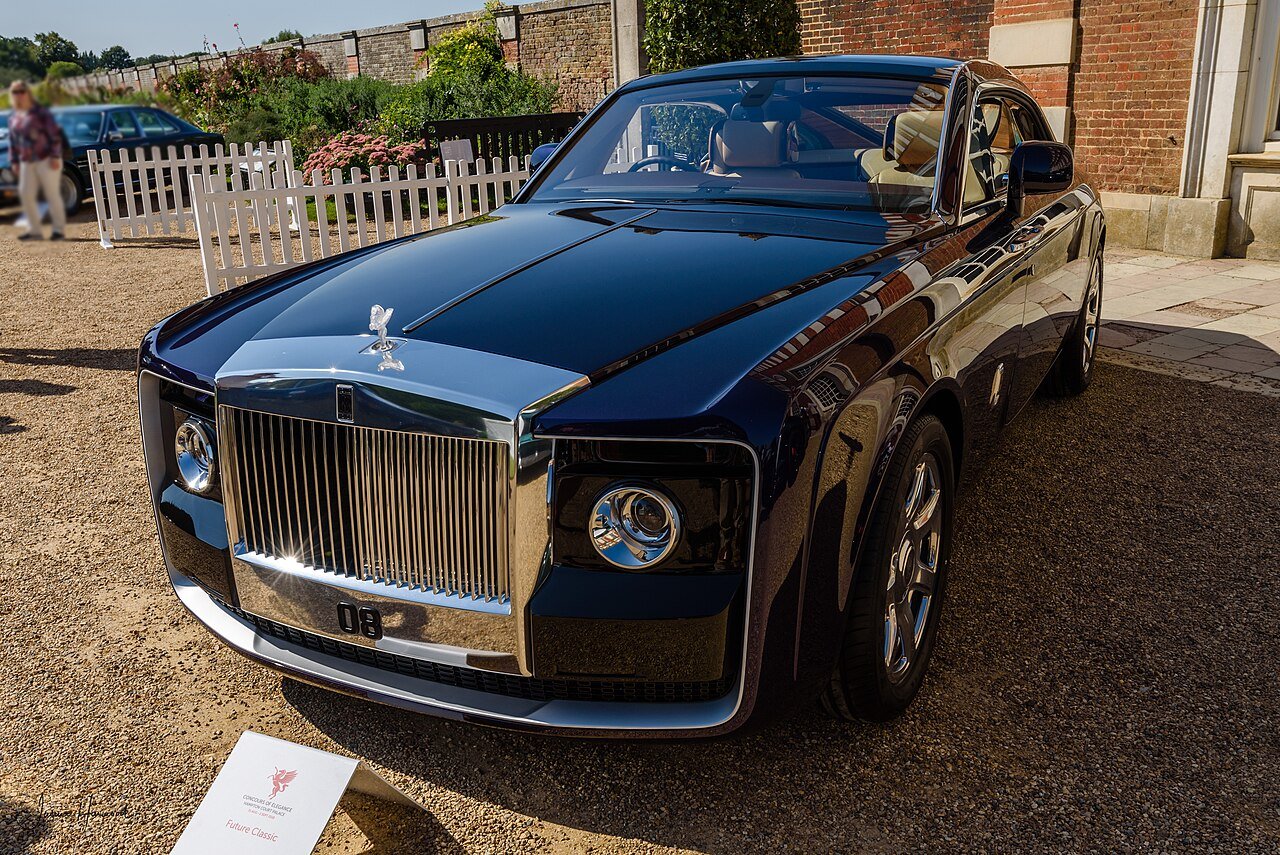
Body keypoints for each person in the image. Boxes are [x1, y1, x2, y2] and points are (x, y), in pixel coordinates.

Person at [7, 81, 67, 241]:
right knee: (26, 194)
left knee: (51, 194)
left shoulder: (41, 113)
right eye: (15, 92)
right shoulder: (14, 117)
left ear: (28, 92)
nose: (18, 94)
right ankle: (34, 230)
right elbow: (13, 141)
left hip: (46, 158)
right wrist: (14, 161)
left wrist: (55, 156)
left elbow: (54, 136)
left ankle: (58, 230)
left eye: (21, 91)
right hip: (26, 161)